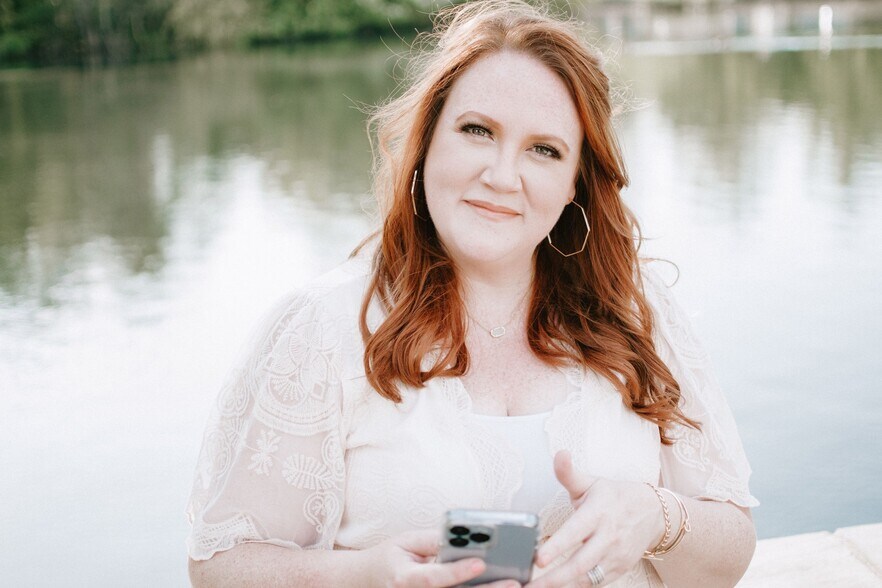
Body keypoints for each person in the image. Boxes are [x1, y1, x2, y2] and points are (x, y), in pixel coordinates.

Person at [186, 1, 758, 586]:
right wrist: (364, 576)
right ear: (426, 141)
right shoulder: (324, 329)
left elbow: (731, 552)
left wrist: (658, 517)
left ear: (575, 184)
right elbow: (219, 568)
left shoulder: (637, 312)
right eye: (478, 131)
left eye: (544, 150)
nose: (502, 177)